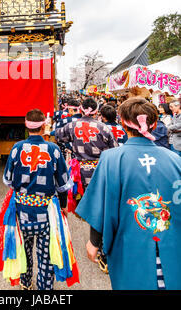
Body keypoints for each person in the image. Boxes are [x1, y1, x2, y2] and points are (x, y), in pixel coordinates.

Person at [75, 97, 181, 290]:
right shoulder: (175, 160)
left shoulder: (111, 159)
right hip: (173, 248)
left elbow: (101, 204)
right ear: (154, 123)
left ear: (123, 122)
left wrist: (94, 242)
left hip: (131, 249)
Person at [1, 109, 74, 290]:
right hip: (47, 213)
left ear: (26, 126)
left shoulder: (17, 148)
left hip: (22, 211)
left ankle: (26, 284)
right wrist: (63, 206)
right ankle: (44, 287)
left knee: (24, 251)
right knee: (46, 253)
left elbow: (8, 180)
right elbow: (63, 184)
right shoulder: (54, 149)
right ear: (44, 127)